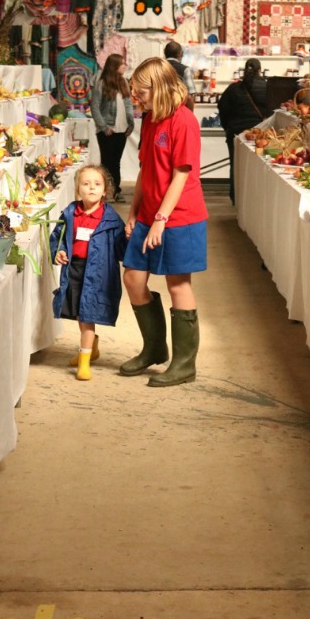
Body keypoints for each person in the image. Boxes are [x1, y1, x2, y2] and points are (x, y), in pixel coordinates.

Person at [120, 57, 207, 387]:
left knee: (177, 284)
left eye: (140, 92)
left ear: (158, 88)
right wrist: (134, 212)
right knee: (133, 278)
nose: (135, 98)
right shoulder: (149, 118)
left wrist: (160, 219)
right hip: (149, 214)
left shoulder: (183, 121)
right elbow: (145, 170)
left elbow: (181, 175)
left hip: (180, 217)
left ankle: (184, 365)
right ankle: (155, 348)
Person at [50, 165, 127, 381]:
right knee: (79, 312)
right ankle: (91, 349)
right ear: (77, 190)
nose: (91, 187)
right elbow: (58, 237)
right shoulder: (70, 214)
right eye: (86, 183)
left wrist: (130, 238)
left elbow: (121, 250)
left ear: (105, 191)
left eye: (97, 184)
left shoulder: (111, 220)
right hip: (74, 269)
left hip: (98, 273)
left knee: (87, 316)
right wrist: (59, 251)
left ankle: (84, 361)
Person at [217, 58, 271, 205]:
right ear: (260, 70)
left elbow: (222, 107)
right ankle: (254, 201)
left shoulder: (234, 88)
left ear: (245, 69)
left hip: (236, 132)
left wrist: (227, 127)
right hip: (259, 133)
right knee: (258, 167)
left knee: (235, 165)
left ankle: (235, 198)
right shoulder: (267, 87)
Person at [90, 53, 135, 202]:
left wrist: (131, 123)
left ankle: (116, 190)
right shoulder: (102, 83)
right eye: (122, 63)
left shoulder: (124, 83)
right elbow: (95, 107)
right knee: (107, 162)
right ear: (114, 66)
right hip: (107, 130)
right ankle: (107, 192)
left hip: (122, 130)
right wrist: (103, 126)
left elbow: (128, 104)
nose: (124, 66)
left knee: (116, 162)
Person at [163, 40, 196, 110]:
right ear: (180, 54)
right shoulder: (185, 70)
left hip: (160, 110)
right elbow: (190, 97)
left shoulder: (157, 68)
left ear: (164, 52)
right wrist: (189, 114)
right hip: (179, 111)